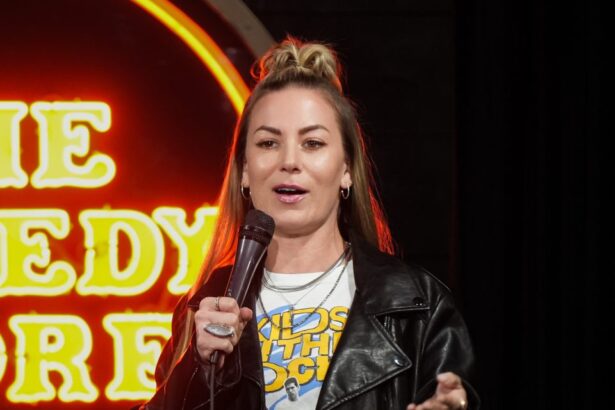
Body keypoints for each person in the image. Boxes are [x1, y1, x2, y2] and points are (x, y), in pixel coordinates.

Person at [138, 36, 479, 410]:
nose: (289, 161)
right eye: (268, 143)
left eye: (312, 143)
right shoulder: (205, 307)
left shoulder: (416, 305)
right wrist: (198, 371)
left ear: (346, 169)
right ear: (245, 170)